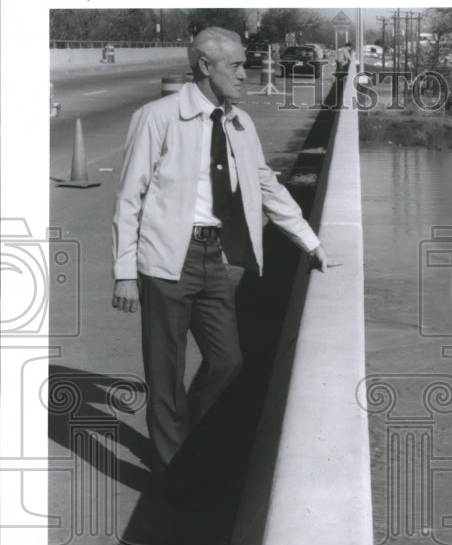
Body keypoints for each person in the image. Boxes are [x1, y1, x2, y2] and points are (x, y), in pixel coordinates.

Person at [111, 26, 329, 476]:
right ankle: (174, 471)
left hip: (217, 257)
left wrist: (309, 240)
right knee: (166, 371)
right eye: (236, 65)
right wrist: (124, 272)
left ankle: (182, 433)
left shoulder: (240, 122)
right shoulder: (159, 117)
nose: (245, 74)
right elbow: (129, 198)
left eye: (245, 64)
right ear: (204, 67)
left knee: (228, 360)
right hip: (166, 257)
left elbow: (266, 184)